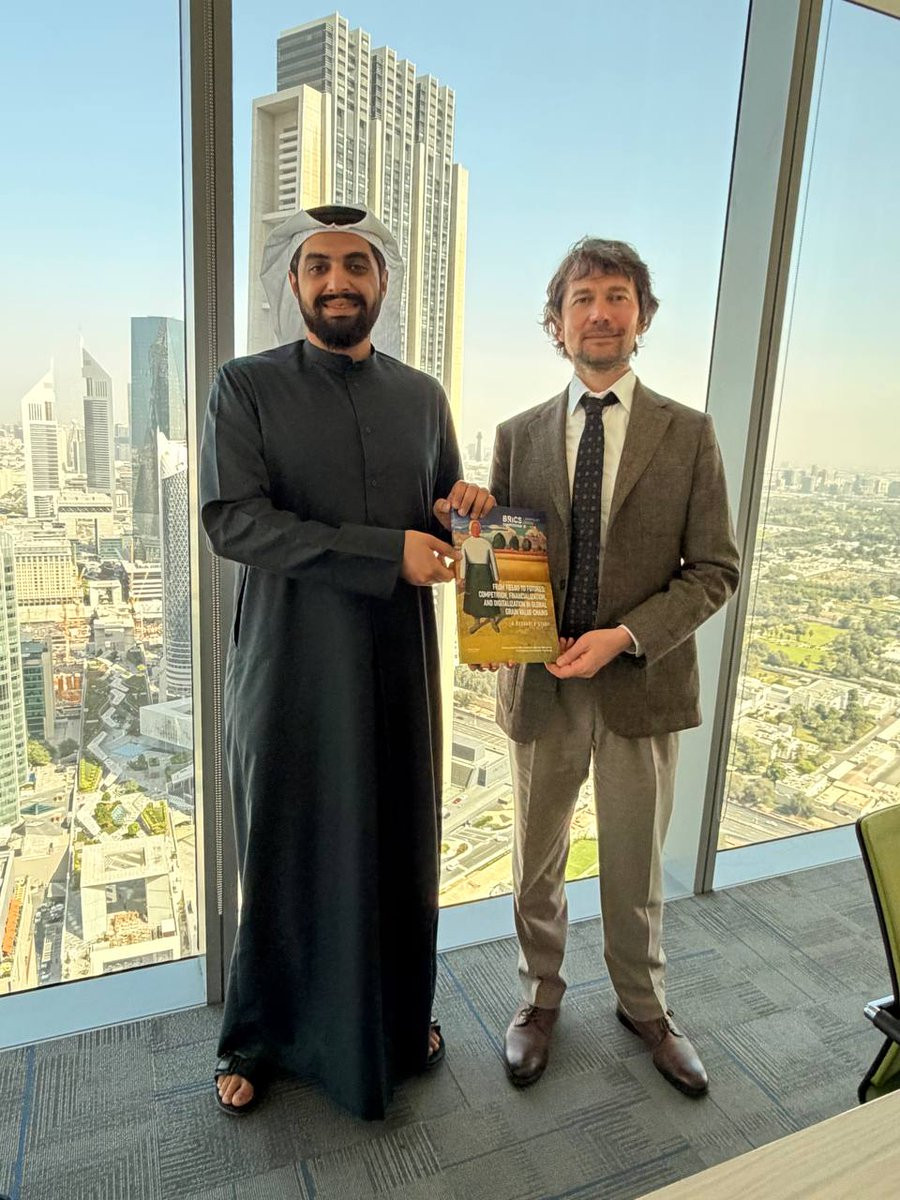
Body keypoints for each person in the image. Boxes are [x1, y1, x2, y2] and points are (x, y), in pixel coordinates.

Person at [199, 204, 493, 1119]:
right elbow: (234, 523)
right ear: (293, 283)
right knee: (287, 844)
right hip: (290, 662)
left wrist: (464, 513)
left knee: (400, 837)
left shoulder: (424, 396)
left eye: (356, 266)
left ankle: (398, 1020)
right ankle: (260, 1036)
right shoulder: (245, 386)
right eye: (319, 266)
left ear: (383, 282)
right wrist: (383, 552)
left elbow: (443, 513)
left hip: (397, 660)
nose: (338, 282)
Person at [489, 238, 740, 1098]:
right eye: (583, 298)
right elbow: (504, 563)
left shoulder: (688, 433)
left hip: (641, 681)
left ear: (642, 317)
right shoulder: (516, 435)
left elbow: (716, 570)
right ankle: (538, 999)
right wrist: (490, 606)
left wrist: (626, 635)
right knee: (536, 861)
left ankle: (645, 1006)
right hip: (543, 687)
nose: (601, 312)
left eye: (618, 296)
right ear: (557, 325)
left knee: (634, 865)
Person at [459, 519, 503, 633]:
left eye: (477, 528)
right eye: (473, 528)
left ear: (480, 529)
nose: (475, 530)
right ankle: (476, 622)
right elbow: (463, 561)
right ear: (470, 529)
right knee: (475, 599)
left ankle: (493, 621)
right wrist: (462, 577)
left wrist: (496, 577)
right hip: (472, 574)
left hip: (486, 574)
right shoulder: (466, 544)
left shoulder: (486, 543)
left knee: (489, 596)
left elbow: (493, 561)